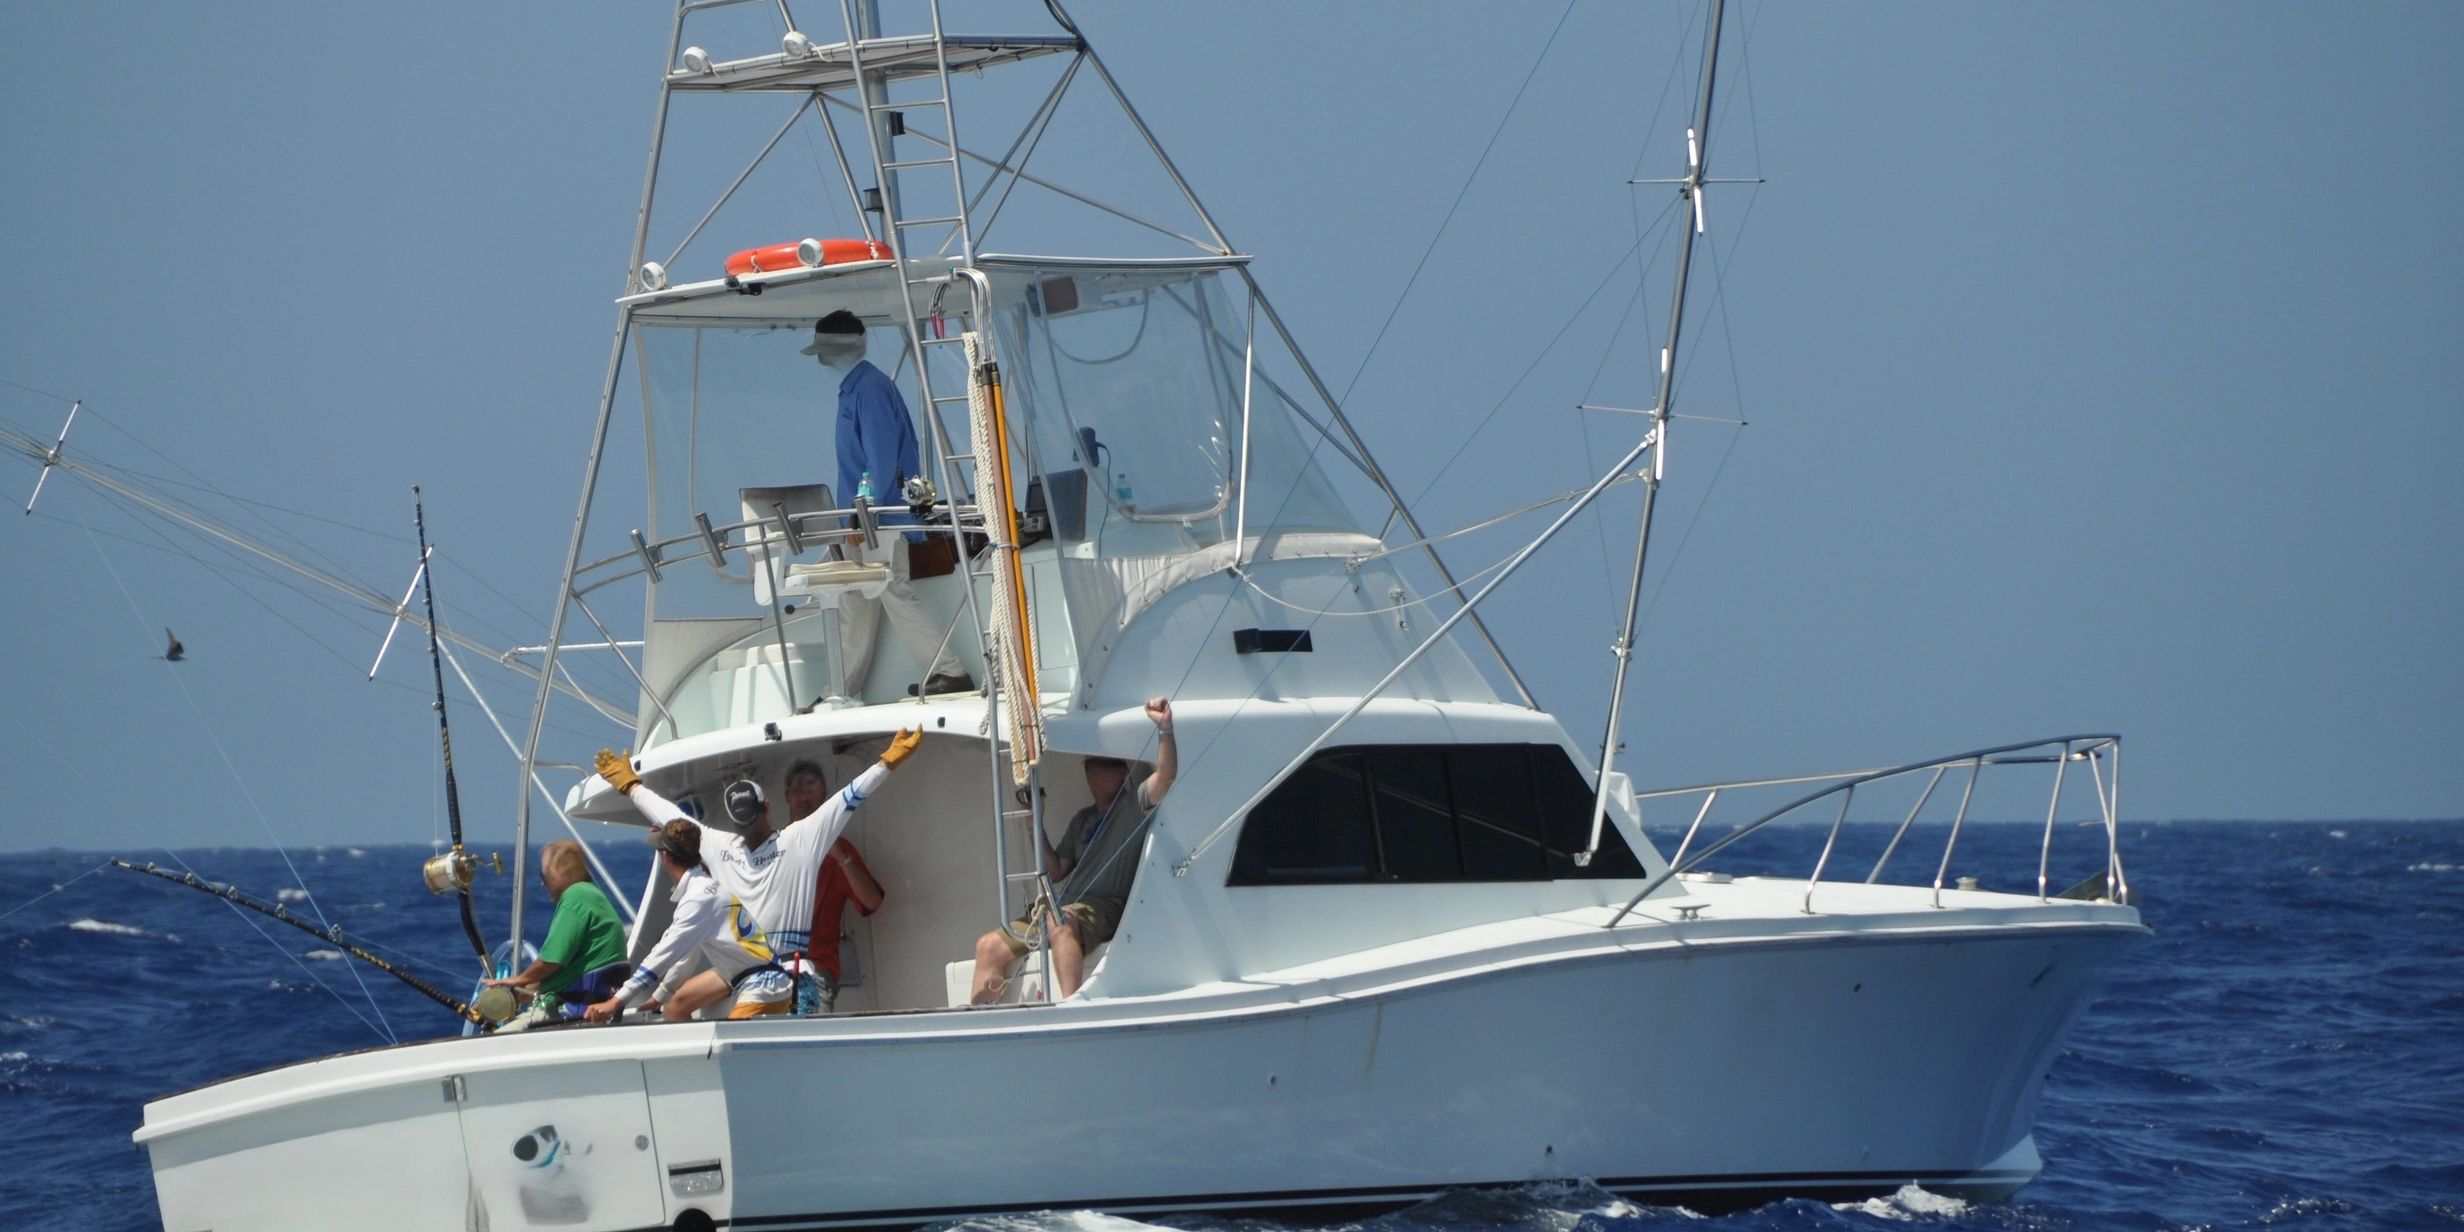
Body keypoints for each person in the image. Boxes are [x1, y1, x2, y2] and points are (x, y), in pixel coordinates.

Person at [594, 727, 923, 1014]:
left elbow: (669, 817)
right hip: (762, 972)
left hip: (784, 973)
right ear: (769, 806)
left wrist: (631, 786)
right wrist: (886, 763)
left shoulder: (717, 844)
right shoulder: (801, 838)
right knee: (689, 1008)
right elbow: (851, 796)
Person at [803, 310, 972, 699]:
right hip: (866, 517)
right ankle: (840, 690)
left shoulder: (869, 390)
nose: (819, 358)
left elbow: (881, 461)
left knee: (887, 588)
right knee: (856, 598)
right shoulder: (859, 388)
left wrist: (864, 518)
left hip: (877, 517)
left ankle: (948, 671)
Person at [971, 696, 1177, 1003]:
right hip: (1063, 907)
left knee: (1060, 924)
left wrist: (1165, 730)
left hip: (1103, 906)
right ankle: (982, 1020)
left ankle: (1072, 1008)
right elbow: (1055, 870)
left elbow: (1166, 776)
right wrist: (1034, 821)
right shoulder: (1082, 819)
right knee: (987, 945)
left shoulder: (1133, 805)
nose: (1092, 771)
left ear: (1121, 772)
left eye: (1102, 764)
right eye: (1090, 766)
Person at [584, 820, 794, 1022]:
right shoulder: (706, 888)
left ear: (665, 856)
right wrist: (660, 996)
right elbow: (686, 956)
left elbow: (662, 956)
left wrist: (615, 1002)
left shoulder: (696, 899)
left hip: (764, 987)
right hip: (756, 977)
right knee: (674, 1006)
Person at [484, 839, 628, 1018]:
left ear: (559, 872)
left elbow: (551, 961)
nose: (542, 884)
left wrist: (517, 980)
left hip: (572, 1011)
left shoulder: (575, 898)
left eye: (544, 876)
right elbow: (564, 969)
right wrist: (522, 993)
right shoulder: (592, 895)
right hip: (592, 1002)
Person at [787, 758, 885, 1014]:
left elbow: (871, 902)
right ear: (788, 796)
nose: (806, 795)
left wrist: (840, 856)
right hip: (768, 968)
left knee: (808, 1042)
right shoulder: (771, 847)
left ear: (825, 798)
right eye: (799, 787)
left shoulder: (840, 851)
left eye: (812, 787)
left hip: (814, 968)